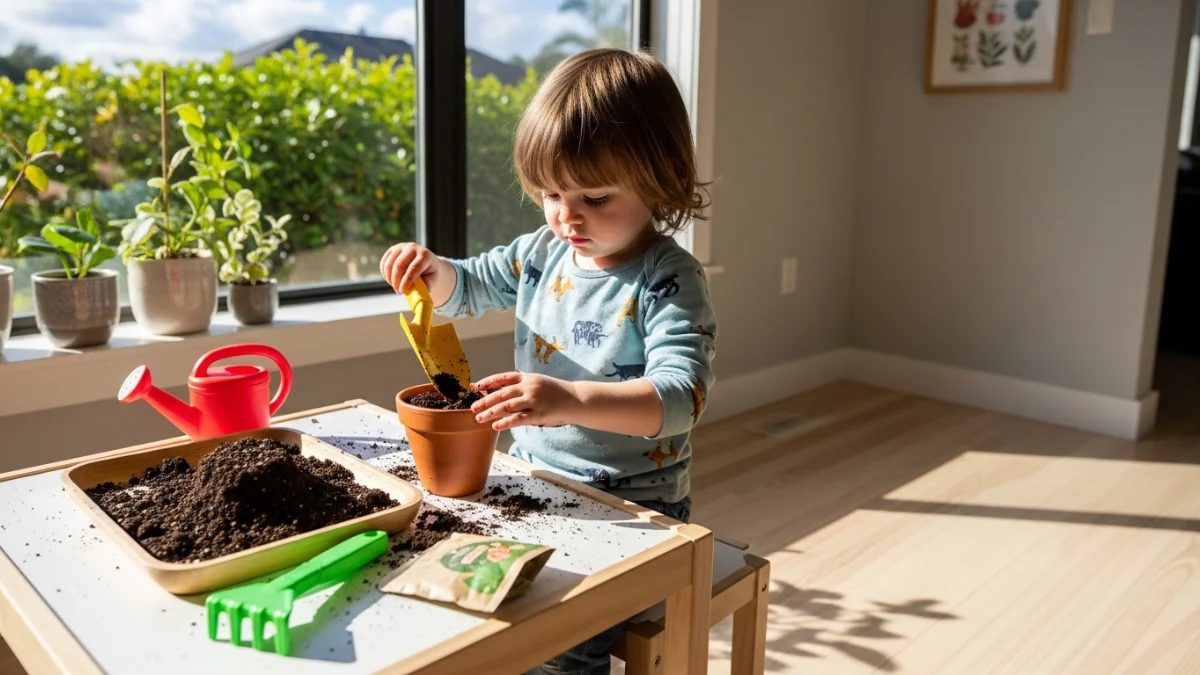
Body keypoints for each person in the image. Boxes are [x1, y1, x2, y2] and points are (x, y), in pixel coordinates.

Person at [380, 47, 717, 674]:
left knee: (558, 644)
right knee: (444, 592)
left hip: (635, 508)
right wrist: (430, 271)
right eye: (550, 193)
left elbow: (680, 399)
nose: (567, 216)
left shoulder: (667, 279)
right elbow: (471, 283)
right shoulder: (542, 252)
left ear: (661, 178)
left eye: (595, 197)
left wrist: (566, 399)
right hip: (532, 486)